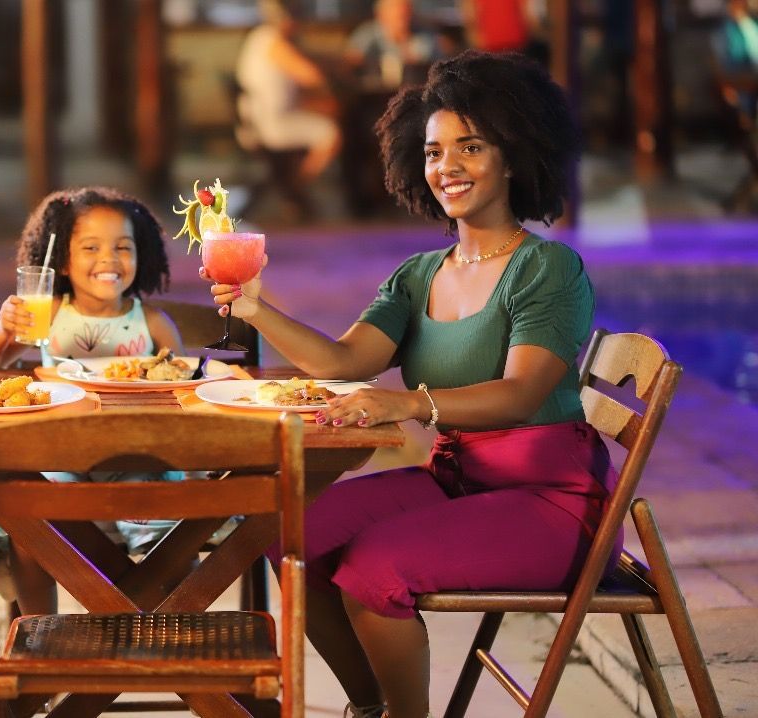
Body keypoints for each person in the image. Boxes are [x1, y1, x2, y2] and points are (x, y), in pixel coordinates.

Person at [203, 51, 610, 718]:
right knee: (283, 534)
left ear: (512, 155)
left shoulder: (547, 269)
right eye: (433, 151)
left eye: (470, 147)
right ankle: (370, 707)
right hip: (455, 480)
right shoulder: (420, 274)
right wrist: (253, 306)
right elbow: (342, 361)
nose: (446, 166)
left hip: (549, 501)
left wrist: (408, 403)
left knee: (372, 570)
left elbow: (522, 394)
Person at [0, 186, 186, 614]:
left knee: (176, 535)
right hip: (62, 457)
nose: (109, 259)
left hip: (140, 458)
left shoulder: (154, 323)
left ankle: (179, 627)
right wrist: (4, 328)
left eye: (123, 246)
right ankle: (37, 632)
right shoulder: (47, 314)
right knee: (32, 531)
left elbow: (181, 387)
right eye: (90, 247)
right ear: (62, 259)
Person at [235, 0, 342, 183]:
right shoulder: (271, 40)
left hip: (259, 120)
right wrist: (333, 70)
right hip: (270, 125)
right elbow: (310, 75)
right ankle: (297, 185)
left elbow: (309, 61)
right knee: (332, 134)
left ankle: (294, 186)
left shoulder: (261, 37)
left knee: (331, 109)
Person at [343, 0, 438, 90]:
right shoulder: (366, 35)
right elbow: (350, 61)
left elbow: (434, 64)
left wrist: (405, 43)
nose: (403, 17)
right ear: (381, 15)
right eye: (397, 14)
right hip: (374, 94)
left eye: (406, 13)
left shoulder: (424, 35)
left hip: (413, 92)